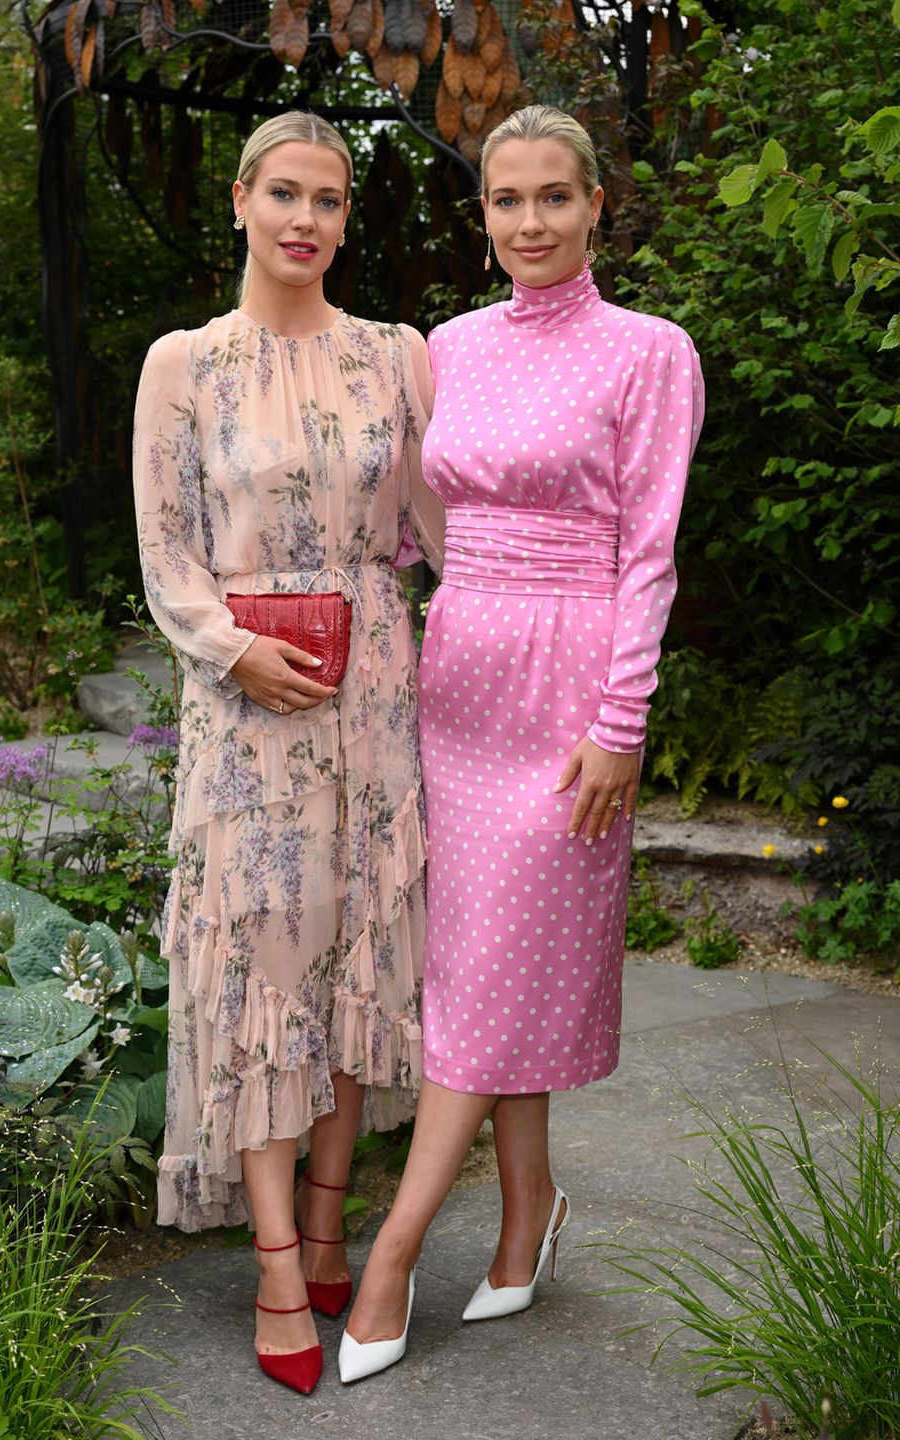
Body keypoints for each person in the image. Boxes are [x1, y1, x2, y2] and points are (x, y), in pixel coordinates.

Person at [339, 103, 704, 1382]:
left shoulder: (650, 352)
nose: (531, 221)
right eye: (509, 200)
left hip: (569, 693)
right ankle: (526, 1214)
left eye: (556, 196)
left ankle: (392, 1253)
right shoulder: (452, 345)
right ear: (483, 213)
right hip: (461, 676)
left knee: (491, 977)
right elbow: (428, 520)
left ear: (596, 204)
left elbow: (650, 553)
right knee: (487, 964)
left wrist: (621, 721)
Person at [133, 110, 444, 1396]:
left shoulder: (397, 356)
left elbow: (444, 522)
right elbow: (164, 551)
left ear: (344, 220)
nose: (306, 220)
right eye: (285, 195)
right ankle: (275, 1263)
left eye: (329, 200)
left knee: (355, 952)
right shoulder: (185, 364)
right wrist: (231, 648)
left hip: (375, 697)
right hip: (247, 708)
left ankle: (330, 1224)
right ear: (243, 204)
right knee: (262, 963)